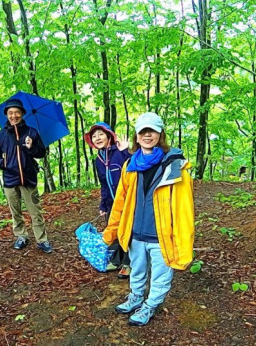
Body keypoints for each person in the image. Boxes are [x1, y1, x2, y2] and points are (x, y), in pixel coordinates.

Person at [103, 112, 195, 326]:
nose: (147, 135)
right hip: (135, 232)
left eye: (151, 131)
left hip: (161, 235)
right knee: (137, 270)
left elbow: (184, 209)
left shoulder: (175, 166)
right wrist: (111, 232)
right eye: (143, 131)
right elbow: (120, 202)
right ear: (136, 135)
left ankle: (150, 305)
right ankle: (135, 297)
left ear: (160, 134)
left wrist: (183, 242)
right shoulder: (130, 166)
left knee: (161, 275)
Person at [0, 98, 52, 253]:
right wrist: (3, 164)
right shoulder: (1, 135)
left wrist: (31, 147)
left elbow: (42, 153)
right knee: (15, 211)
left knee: (35, 211)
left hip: (28, 178)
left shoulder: (31, 132)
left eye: (17, 112)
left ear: (22, 113)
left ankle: (42, 240)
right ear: (6, 115)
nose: (14, 115)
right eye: (10, 113)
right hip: (10, 180)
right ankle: (21, 236)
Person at [83, 122, 132, 278]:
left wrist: (126, 152)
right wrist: (103, 205)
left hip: (128, 201)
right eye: (94, 136)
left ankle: (127, 263)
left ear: (109, 135)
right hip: (112, 203)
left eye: (100, 134)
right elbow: (103, 183)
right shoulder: (99, 160)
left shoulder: (120, 152)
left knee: (127, 231)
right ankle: (117, 260)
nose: (97, 138)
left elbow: (134, 171)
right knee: (113, 230)